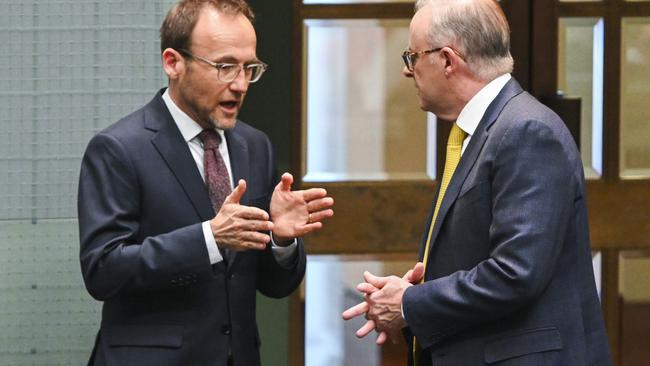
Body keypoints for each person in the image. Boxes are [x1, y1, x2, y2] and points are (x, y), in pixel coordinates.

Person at [342, 0, 612, 365]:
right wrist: (414, 293)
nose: (408, 71)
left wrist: (408, 303)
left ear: (448, 60)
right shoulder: (484, 130)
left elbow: (515, 274)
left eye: (413, 56)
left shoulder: (526, 131)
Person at [77, 1, 334, 365]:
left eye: (250, 68)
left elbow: (274, 286)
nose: (241, 84)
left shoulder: (255, 146)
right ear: (173, 63)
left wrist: (281, 240)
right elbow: (103, 271)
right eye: (225, 67)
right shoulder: (118, 149)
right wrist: (209, 239)